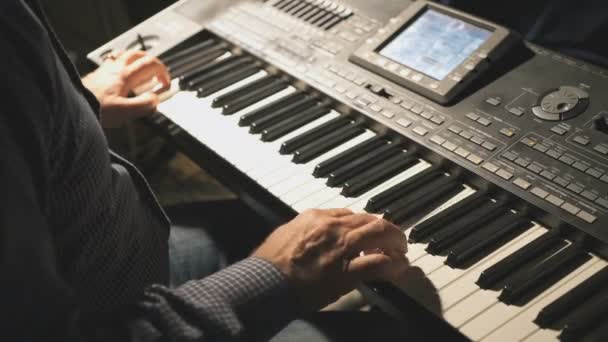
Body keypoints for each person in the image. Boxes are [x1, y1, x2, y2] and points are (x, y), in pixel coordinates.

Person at [0, 1, 411, 341]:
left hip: (108, 253)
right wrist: (277, 276)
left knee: (260, 218)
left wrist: (72, 107)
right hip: (114, 317)